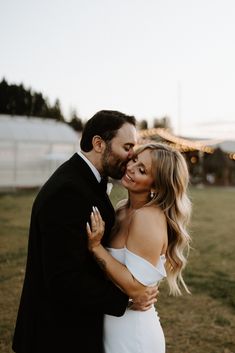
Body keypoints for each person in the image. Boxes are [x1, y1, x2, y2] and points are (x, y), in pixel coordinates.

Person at [12, 110, 158, 353]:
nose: (133, 156)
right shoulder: (68, 190)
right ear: (99, 144)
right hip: (56, 336)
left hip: (75, 328)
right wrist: (128, 299)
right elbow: (63, 280)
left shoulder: (86, 181)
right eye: (128, 146)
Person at [86, 142, 192, 353]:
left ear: (156, 186)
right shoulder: (122, 209)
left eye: (142, 170)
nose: (131, 168)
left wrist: (96, 247)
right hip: (114, 322)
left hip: (133, 334)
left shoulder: (147, 217)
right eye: (135, 160)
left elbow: (136, 288)